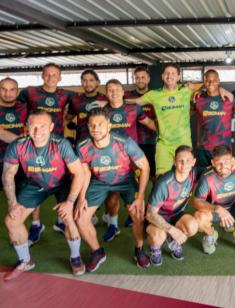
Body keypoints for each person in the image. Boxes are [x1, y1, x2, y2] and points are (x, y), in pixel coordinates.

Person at [3, 110, 84, 281]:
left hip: (62, 183)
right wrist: (12, 203)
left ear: (52, 127)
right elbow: (8, 175)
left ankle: (75, 257)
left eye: (43, 126)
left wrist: (69, 202)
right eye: (33, 126)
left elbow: (78, 173)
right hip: (36, 184)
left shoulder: (61, 144)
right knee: (12, 220)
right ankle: (25, 260)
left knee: (68, 217)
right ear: (27, 127)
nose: (38, 131)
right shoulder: (17, 145)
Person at [75, 109, 151, 271]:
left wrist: (140, 197)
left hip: (125, 180)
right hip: (99, 182)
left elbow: (145, 167)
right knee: (80, 218)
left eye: (100, 124)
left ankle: (139, 249)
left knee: (138, 213)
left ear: (109, 126)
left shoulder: (124, 142)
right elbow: (85, 172)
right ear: (88, 127)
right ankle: (97, 252)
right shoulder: (83, 146)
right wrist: (81, 197)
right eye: (92, 125)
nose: (96, 128)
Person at [18, 63, 76, 237]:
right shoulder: (29, 92)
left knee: (60, 182)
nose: (51, 78)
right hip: (34, 142)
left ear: (60, 78)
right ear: (42, 75)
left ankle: (61, 221)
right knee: (35, 181)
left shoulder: (66, 94)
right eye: (48, 74)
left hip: (57, 144)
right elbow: (17, 107)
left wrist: (64, 122)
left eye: (54, 75)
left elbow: (74, 110)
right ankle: (36, 224)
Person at [100, 79, 156, 242]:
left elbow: (149, 123)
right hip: (111, 159)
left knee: (139, 190)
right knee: (112, 195)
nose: (114, 92)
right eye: (110, 90)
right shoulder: (102, 112)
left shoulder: (134, 108)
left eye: (117, 89)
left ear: (123, 92)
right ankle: (113, 225)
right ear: (106, 93)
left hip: (132, 158)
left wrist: (167, 131)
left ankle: (139, 219)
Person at [146, 145, 198, 266]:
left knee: (192, 226)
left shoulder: (194, 173)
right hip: (157, 218)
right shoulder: (164, 183)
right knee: (159, 236)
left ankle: (171, 239)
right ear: (174, 161)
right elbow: (150, 214)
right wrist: (172, 230)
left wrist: (233, 163)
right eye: (180, 161)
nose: (184, 165)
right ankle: (155, 249)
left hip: (176, 215)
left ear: (193, 162)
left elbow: (216, 167)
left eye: (188, 161)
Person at [192, 70, 235, 175]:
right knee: (203, 177)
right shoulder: (198, 98)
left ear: (219, 81)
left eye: (214, 80)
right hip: (203, 148)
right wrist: (199, 90)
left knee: (222, 178)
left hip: (223, 149)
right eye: (207, 80)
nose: (211, 83)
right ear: (204, 81)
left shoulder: (229, 99)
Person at [125, 66, 157, 181]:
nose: (140, 80)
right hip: (132, 143)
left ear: (148, 79)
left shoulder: (156, 95)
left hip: (151, 142)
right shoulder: (127, 96)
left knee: (154, 176)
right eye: (137, 77)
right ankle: (138, 199)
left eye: (143, 77)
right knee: (134, 177)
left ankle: (154, 199)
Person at [65, 69, 105, 142]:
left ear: (98, 82)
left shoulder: (105, 99)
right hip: (81, 141)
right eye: (84, 80)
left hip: (101, 140)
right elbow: (67, 119)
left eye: (91, 80)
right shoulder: (75, 100)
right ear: (81, 82)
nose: (88, 83)